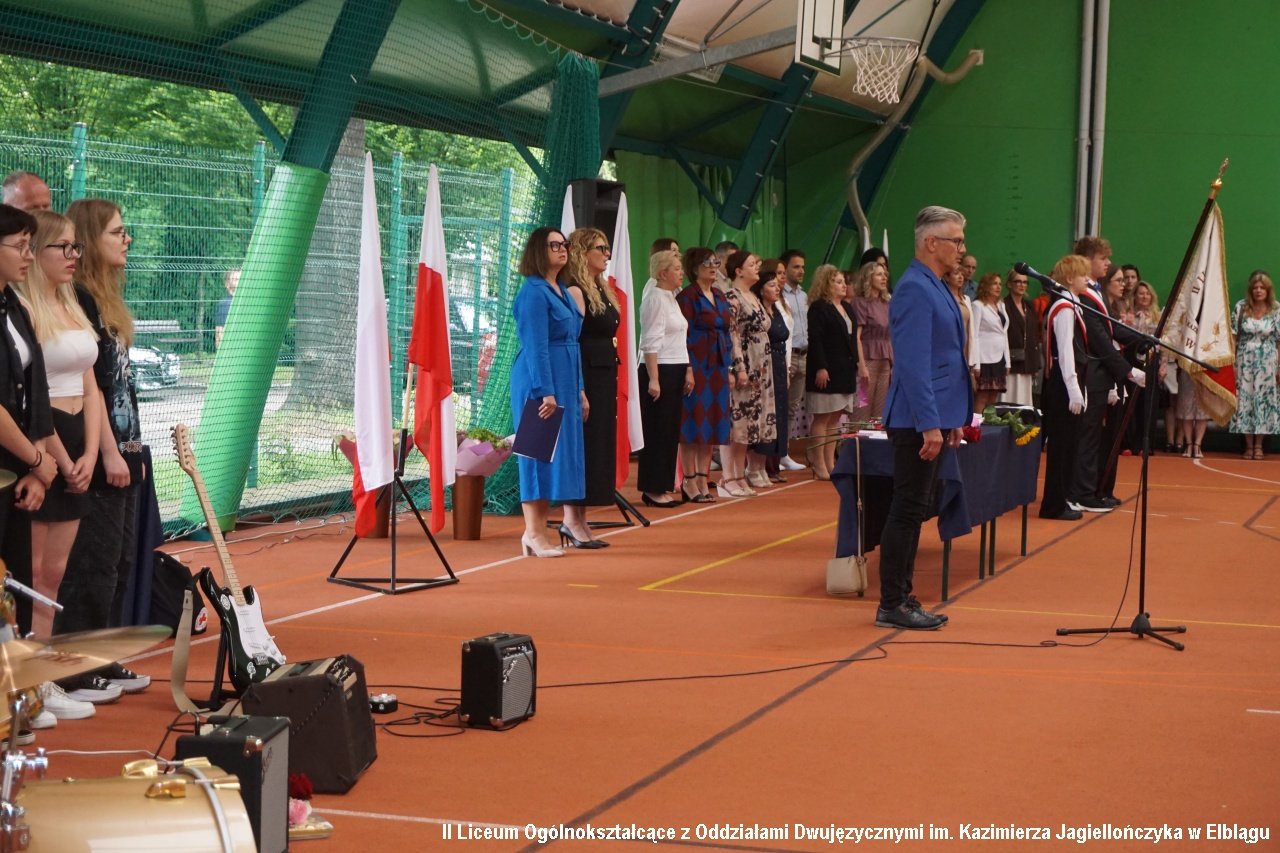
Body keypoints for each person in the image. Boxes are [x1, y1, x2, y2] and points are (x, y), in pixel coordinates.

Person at [58, 199, 150, 693]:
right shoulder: (77, 298)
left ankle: (104, 655)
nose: (126, 239)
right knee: (92, 562)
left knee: (120, 561)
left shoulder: (107, 297)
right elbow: (92, 383)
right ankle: (75, 666)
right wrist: (110, 451)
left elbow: (121, 384)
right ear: (93, 239)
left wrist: (133, 449)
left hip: (126, 445)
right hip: (97, 450)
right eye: (117, 232)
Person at [877, 206, 972, 630]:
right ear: (931, 243)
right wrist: (930, 423)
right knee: (907, 508)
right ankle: (892, 602)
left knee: (915, 508)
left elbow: (945, 356)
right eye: (957, 240)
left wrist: (950, 419)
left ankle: (901, 595)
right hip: (914, 419)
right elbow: (914, 364)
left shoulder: (934, 284)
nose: (962, 249)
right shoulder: (915, 287)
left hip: (931, 415)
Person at [14, 210, 101, 642]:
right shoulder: (22, 309)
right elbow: (33, 398)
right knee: (28, 574)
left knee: (53, 574)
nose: (73, 256)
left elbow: (91, 387)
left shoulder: (73, 303)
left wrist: (91, 453)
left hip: (78, 441)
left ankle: (44, 665)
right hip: (43, 443)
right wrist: (63, 462)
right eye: (62, 247)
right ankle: (24, 665)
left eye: (75, 247)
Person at [509, 227, 585, 558]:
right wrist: (545, 392)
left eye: (564, 244)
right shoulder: (533, 292)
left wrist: (580, 390)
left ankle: (537, 531)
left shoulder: (562, 290)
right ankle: (533, 533)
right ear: (539, 251)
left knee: (553, 457)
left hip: (564, 380)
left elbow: (572, 343)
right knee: (536, 453)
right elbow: (536, 346)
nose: (562, 249)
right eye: (554, 245)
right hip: (539, 381)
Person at [1070, 236, 1145, 511]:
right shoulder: (1085, 295)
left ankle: (1095, 489)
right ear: (1087, 260)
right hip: (1091, 374)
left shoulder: (1097, 292)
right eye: (1103, 258)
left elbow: (1111, 328)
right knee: (1088, 438)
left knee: (1097, 438)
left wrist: (1143, 339)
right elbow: (1100, 339)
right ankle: (1083, 492)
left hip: (1102, 376)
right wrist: (1127, 371)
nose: (1108, 263)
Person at [558, 228, 618, 550]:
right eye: (600, 248)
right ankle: (571, 518)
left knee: (597, 444)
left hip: (604, 373)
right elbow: (572, 340)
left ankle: (581, 519)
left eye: (607, 248)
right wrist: (579, 388)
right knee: (582, 444)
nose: (607, 254)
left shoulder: (600, 288)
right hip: (586, 374)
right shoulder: (576, 290)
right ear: (583, 253)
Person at [676, 247, 733, 503]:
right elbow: (682, 336)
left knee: (711, 424)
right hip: (697, 365)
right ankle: (688, 480)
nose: (712, 266)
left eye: (715, 262)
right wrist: (688, 368)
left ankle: (702, 477)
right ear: (694, 268)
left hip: (717, 366)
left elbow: (727, 332)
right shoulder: (688, 297)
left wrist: (729, 366)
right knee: (693, 424)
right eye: (706, 262)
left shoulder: (719, 294)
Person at [1040, 255, 1092, 522]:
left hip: (1069, 380)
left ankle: (1063, 497)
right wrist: (1073, 388)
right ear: (1069, 279)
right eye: (1083, 275)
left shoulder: (1071, 304)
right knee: (1061, 445)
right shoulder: (1064, 307)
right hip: (1063, 382)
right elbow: (1065, 351)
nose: (1088, 280)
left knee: (1070, 444)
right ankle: (1053, 504)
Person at [636, 249, 690, 507]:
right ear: (663, 273)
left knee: (669, 430)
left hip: (675, 367)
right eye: (676, 269)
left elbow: (679, 337)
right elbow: (651, 341)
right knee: (657, 430)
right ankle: (652, 487)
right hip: (661, 369)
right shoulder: (655, 298)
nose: (681, 273)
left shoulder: (672, 297)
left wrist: (687, 368)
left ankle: (664, 484)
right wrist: (654, 378)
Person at [721, 251, 774, 497]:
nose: (756, 268)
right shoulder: (732, 297)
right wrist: (738, 367)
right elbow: (732, 334)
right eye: (751, 264)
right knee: (737, 422)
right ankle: (728, 476)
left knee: (748, 425)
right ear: (738, 271)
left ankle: (739, 474)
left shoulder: (752, 295)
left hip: (761, 367)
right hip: (745, 365)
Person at [804, 264, 857, 481]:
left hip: (844, 370)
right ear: (826, 284)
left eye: (844, 281)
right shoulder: (819, 308)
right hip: (827, 369)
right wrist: (821, 367)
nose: (844, 285)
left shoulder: (847, 308)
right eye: (838, 281)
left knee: (835, 418)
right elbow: (815, 339)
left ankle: (830, 462)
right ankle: (818, 463)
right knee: (823, 417)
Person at [1228, 270, 1280, 460]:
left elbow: (1279, 340)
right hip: (1244, 361)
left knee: (1264, 402)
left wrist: (1279, 366)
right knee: (1245, 401)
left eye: (1262, 288)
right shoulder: (1241, 307)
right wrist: (1233, 363)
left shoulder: (1276, 309)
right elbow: (1233, 336)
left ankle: (1259, 445)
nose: (1258, 291)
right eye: (1255, 288)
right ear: (1251, 290)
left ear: (1268, 290)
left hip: (1268, 363)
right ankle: (1248, 445)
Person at [747, 261, 789, 487]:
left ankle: (765, 465)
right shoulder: (759, 311)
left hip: (780, 366)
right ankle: (753, 466)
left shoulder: (778, 310)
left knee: (777, 417)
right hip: (763, 365)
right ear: (762, 289)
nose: (777, 288)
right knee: (762, 416)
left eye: (777, 285)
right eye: (772, 285)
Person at [851, 261, 892, 421]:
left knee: (880, 412)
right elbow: (856, 336)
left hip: (885, 361)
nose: (884, 278)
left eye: (885, 275)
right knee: (862, 409)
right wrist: (861, 366)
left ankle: (876, 437)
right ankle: (856, 437)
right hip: (867, 360)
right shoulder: (860, 302)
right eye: (879, 275)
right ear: (868, 278)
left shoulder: (886, 303)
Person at [778, 249, 808, 471]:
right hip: (787, 355)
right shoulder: (780, 296)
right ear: (785, 268)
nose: (801, 271)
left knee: (791, 408)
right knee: (780, 406)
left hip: (804, 355)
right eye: (796, 267)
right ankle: (776, 452)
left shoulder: (804, 296)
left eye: (803, 267)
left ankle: (784, 452)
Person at [1000, 267, 1041, 406]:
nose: (1022, 285)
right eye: (1018, 281)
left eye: (1025, 282)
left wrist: (1035, 363)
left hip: (1027, 361)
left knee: (1024, 401)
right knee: (1009, 400)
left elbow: (1034, 335)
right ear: (1009, 284)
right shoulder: (1003, 305)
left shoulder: (1029, 306)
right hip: (1010, 362)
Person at [971, 272, 1010, 414]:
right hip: (984, 358)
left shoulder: (1001, 305)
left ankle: (989, 425)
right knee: (982, 397)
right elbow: (974, 335)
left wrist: (1007, 361)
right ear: (985, 286)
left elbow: (1004, 334)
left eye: (1000, 284)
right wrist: (976, 363)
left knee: (993, 397)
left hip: (999, 357)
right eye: (994, 283)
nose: (998, 287)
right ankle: (977, 426)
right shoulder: (977, 305)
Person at [639, 237, 678, 301]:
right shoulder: (654, 283)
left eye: (678, 251)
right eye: (673, 250)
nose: (677, 254)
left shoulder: (675, 284)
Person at [214, 267, 239, 349]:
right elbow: (219, 333)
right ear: (227, 284)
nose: (240, 282)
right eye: (236, 279)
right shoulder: (225, 304)